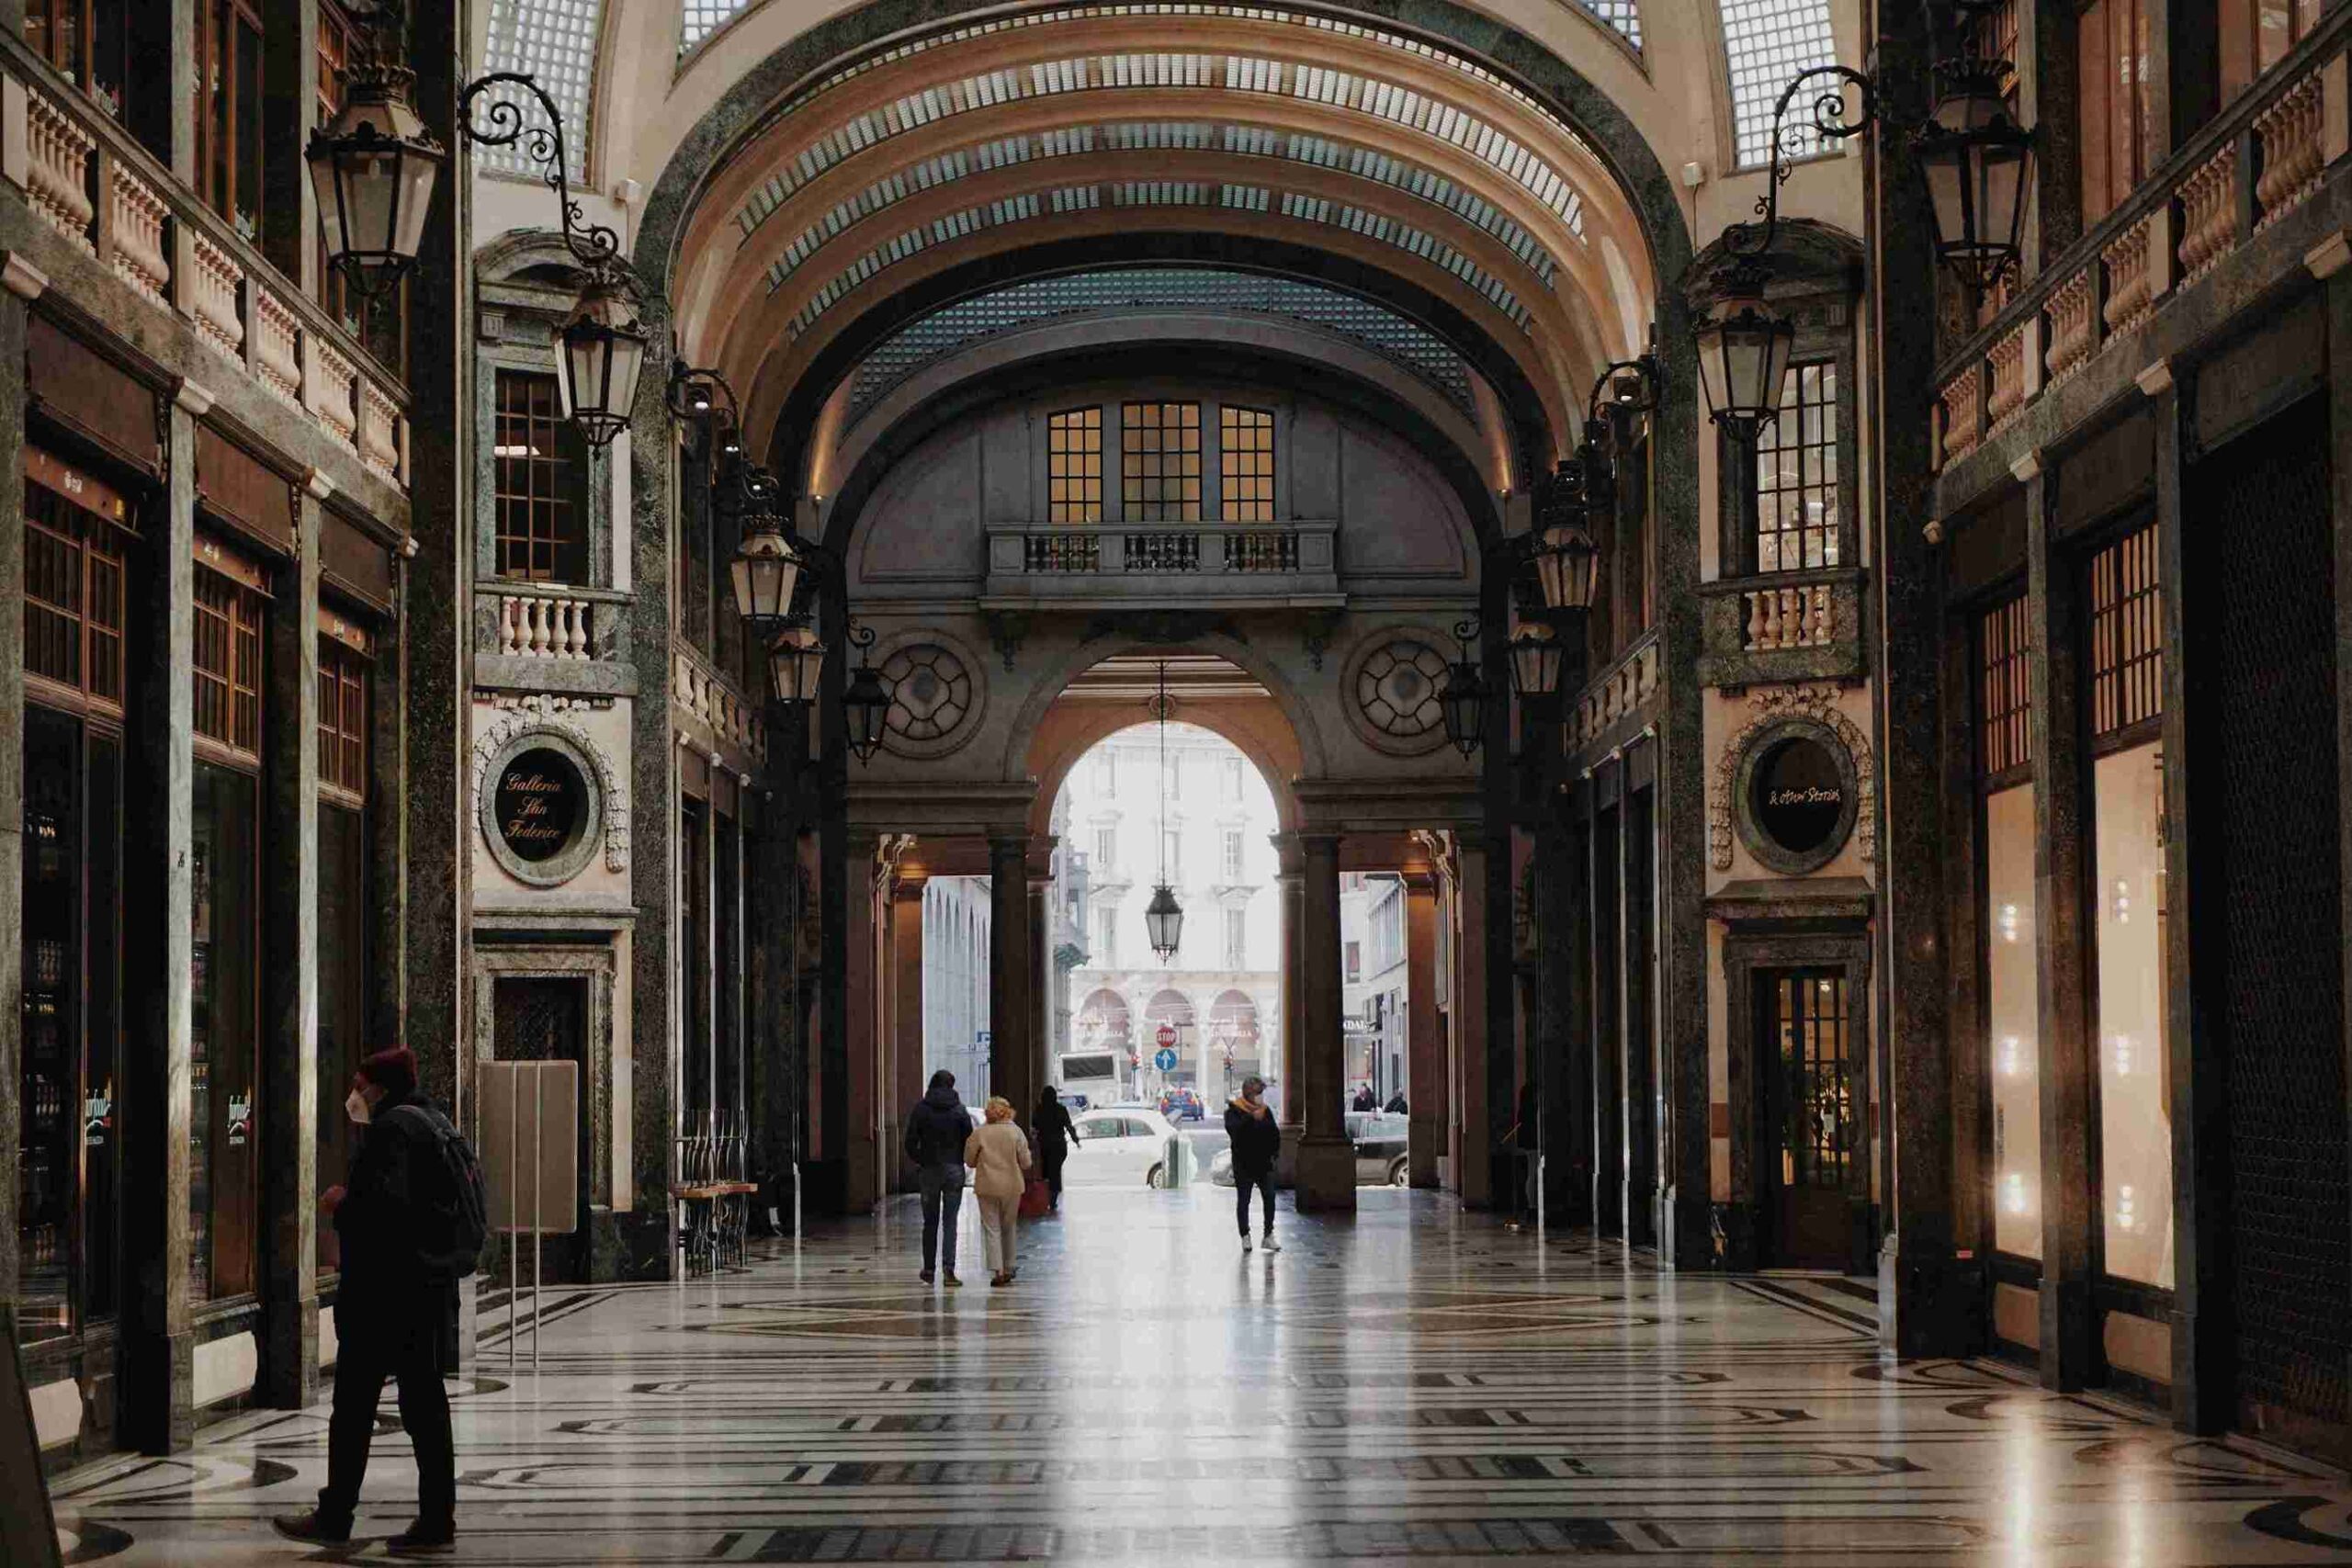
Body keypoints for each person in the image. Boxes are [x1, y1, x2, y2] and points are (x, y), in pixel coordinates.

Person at [277, 1046, 461, 1555]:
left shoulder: (392, 1131)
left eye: (359, 1085)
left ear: (378, 1088)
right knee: (425, 1406)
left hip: (387, 1297)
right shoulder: (434, 1121)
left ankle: (336, 1517)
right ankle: (436, 1520)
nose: (353, 1096)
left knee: (354, 1408)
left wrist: (342, 1204)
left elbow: (384, 1214)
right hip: (427, 1290)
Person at [905, 1070, 975, 1285]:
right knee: (950, 1220)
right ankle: (948, 1269)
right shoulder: (960, 1110)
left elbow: (910, 1141)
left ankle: (928, 1269)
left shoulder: (921, 1109)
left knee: (930, 1221)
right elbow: (969, 1140)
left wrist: (922, 1159)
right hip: (953, 1168)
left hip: (929, 1170)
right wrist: (958, 1159)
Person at [964, 1097, 1032, 1286]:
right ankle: (1010, 1266)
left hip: (986, 1186)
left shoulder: (980, 1133)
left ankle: (998, 1270)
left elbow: (969, 1161)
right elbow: (1026, 1162)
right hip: (1012, 1186)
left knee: (991, 1228)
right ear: (1008, 1112)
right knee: (1008, 1226)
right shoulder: (1016, 1132)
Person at [1225, 1076, 1283, 1254]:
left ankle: (1268, 1234)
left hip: (1263, 1163)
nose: (1260, 1097)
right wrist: (1252, 1119)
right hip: (1243, 1164)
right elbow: (1235, 1133)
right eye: (1258, 1093)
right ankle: (1245, 1236)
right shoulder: (1234, 1111)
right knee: (1244, 1200)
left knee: (1270, 1196)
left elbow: (1274, 1133)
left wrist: (1274, 1153)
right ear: (1249, 1093)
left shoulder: (1265, 1111)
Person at [1032, 1086, 1081, 1210]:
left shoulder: (1039, 1109)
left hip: (1044, 1144)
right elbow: (1069, 1126)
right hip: (1059, 1145)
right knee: (1055, 1172)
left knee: (1045, 1172)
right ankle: (1053, 1200)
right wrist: (1075, 1140)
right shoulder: (1061, 1109)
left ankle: (1044, 1198)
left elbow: (1034, 1124)